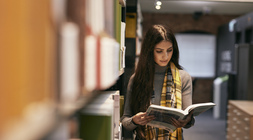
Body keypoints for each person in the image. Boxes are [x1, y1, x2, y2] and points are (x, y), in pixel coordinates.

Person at [121, 24, 195, 140]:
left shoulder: (183, 77)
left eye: (169, 50)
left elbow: (188, 118)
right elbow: (125, 122)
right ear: (150, 51)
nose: (165, 56)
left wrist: (186, 121)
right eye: (159, 51)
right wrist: (134, 120)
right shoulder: (136, 79)